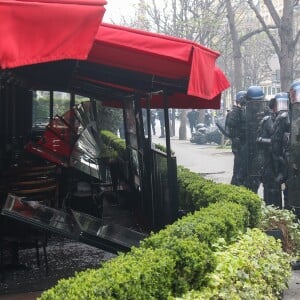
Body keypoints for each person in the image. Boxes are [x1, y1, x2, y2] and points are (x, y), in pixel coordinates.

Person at [257, 93, 288, 208]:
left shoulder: (289, 120)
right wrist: (272, 142)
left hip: (285, 160)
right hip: (270, 160)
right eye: (277, 105)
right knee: (271, 191)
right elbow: (259, 140)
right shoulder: (267, 120)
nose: (279, 108)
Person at [243, 85, 268, 193]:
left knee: (255, 178)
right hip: (250, 149)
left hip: (259, 149)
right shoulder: (245, 113)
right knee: (251, 179)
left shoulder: (265, 112)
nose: (256, 105)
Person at [225, 90, 247, 186]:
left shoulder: (240, 111)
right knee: (238, 170)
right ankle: (235, 186)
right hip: (238, 144)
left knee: (241, 169)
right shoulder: (235, 112)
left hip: (241, 144)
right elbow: (233, 125)